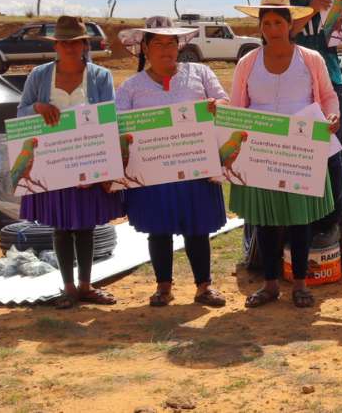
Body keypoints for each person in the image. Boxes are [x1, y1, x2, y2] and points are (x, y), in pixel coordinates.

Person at [229, 0, 339, 308]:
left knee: (299, 219)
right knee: (265, 220)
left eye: (279, 21)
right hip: (261, 150)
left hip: (301, 150)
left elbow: (329, 96)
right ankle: (271, 284)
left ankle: (301, 284)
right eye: (268, 23)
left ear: (291, 24)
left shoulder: (311, 59)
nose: (274, 28)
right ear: (260, 27)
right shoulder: (247, 63)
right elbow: (238, 106)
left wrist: (333, 116)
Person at [115, 16, 229, 308]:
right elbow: (117, 126)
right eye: (157, 43)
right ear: (145, 48)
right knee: (158, 229)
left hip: (196, 167)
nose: (165, 49)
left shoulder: (200, 73)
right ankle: (163, 287)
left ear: (179, 46)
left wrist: (218, 107)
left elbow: (225, 103)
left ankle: (204, 287)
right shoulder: (131, 87)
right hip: (152, 174)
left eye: (171, 43)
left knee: (197, 228)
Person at [15, 16, 124, 309]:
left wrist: (107, 167)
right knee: (61, 227)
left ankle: (86, 286)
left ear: (85, 44)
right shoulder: (39, 76)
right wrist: (37, 107)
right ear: (56, 46)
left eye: (76, 42)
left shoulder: (100, 77)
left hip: (89, 161)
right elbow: (21, 112)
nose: (70, 47)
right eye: (64, 43)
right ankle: (68, 288)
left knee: (86, 226)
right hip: (52, 164)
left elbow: (108, 117)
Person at [277, 0, 342, 243]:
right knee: (300, 152)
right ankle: (299, 221)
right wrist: (310, 10)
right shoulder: (279, 1)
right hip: (294, 85)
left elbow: (341, 34)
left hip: (330, 78)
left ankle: (331, 221)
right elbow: (281, 33)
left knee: (332, 150)